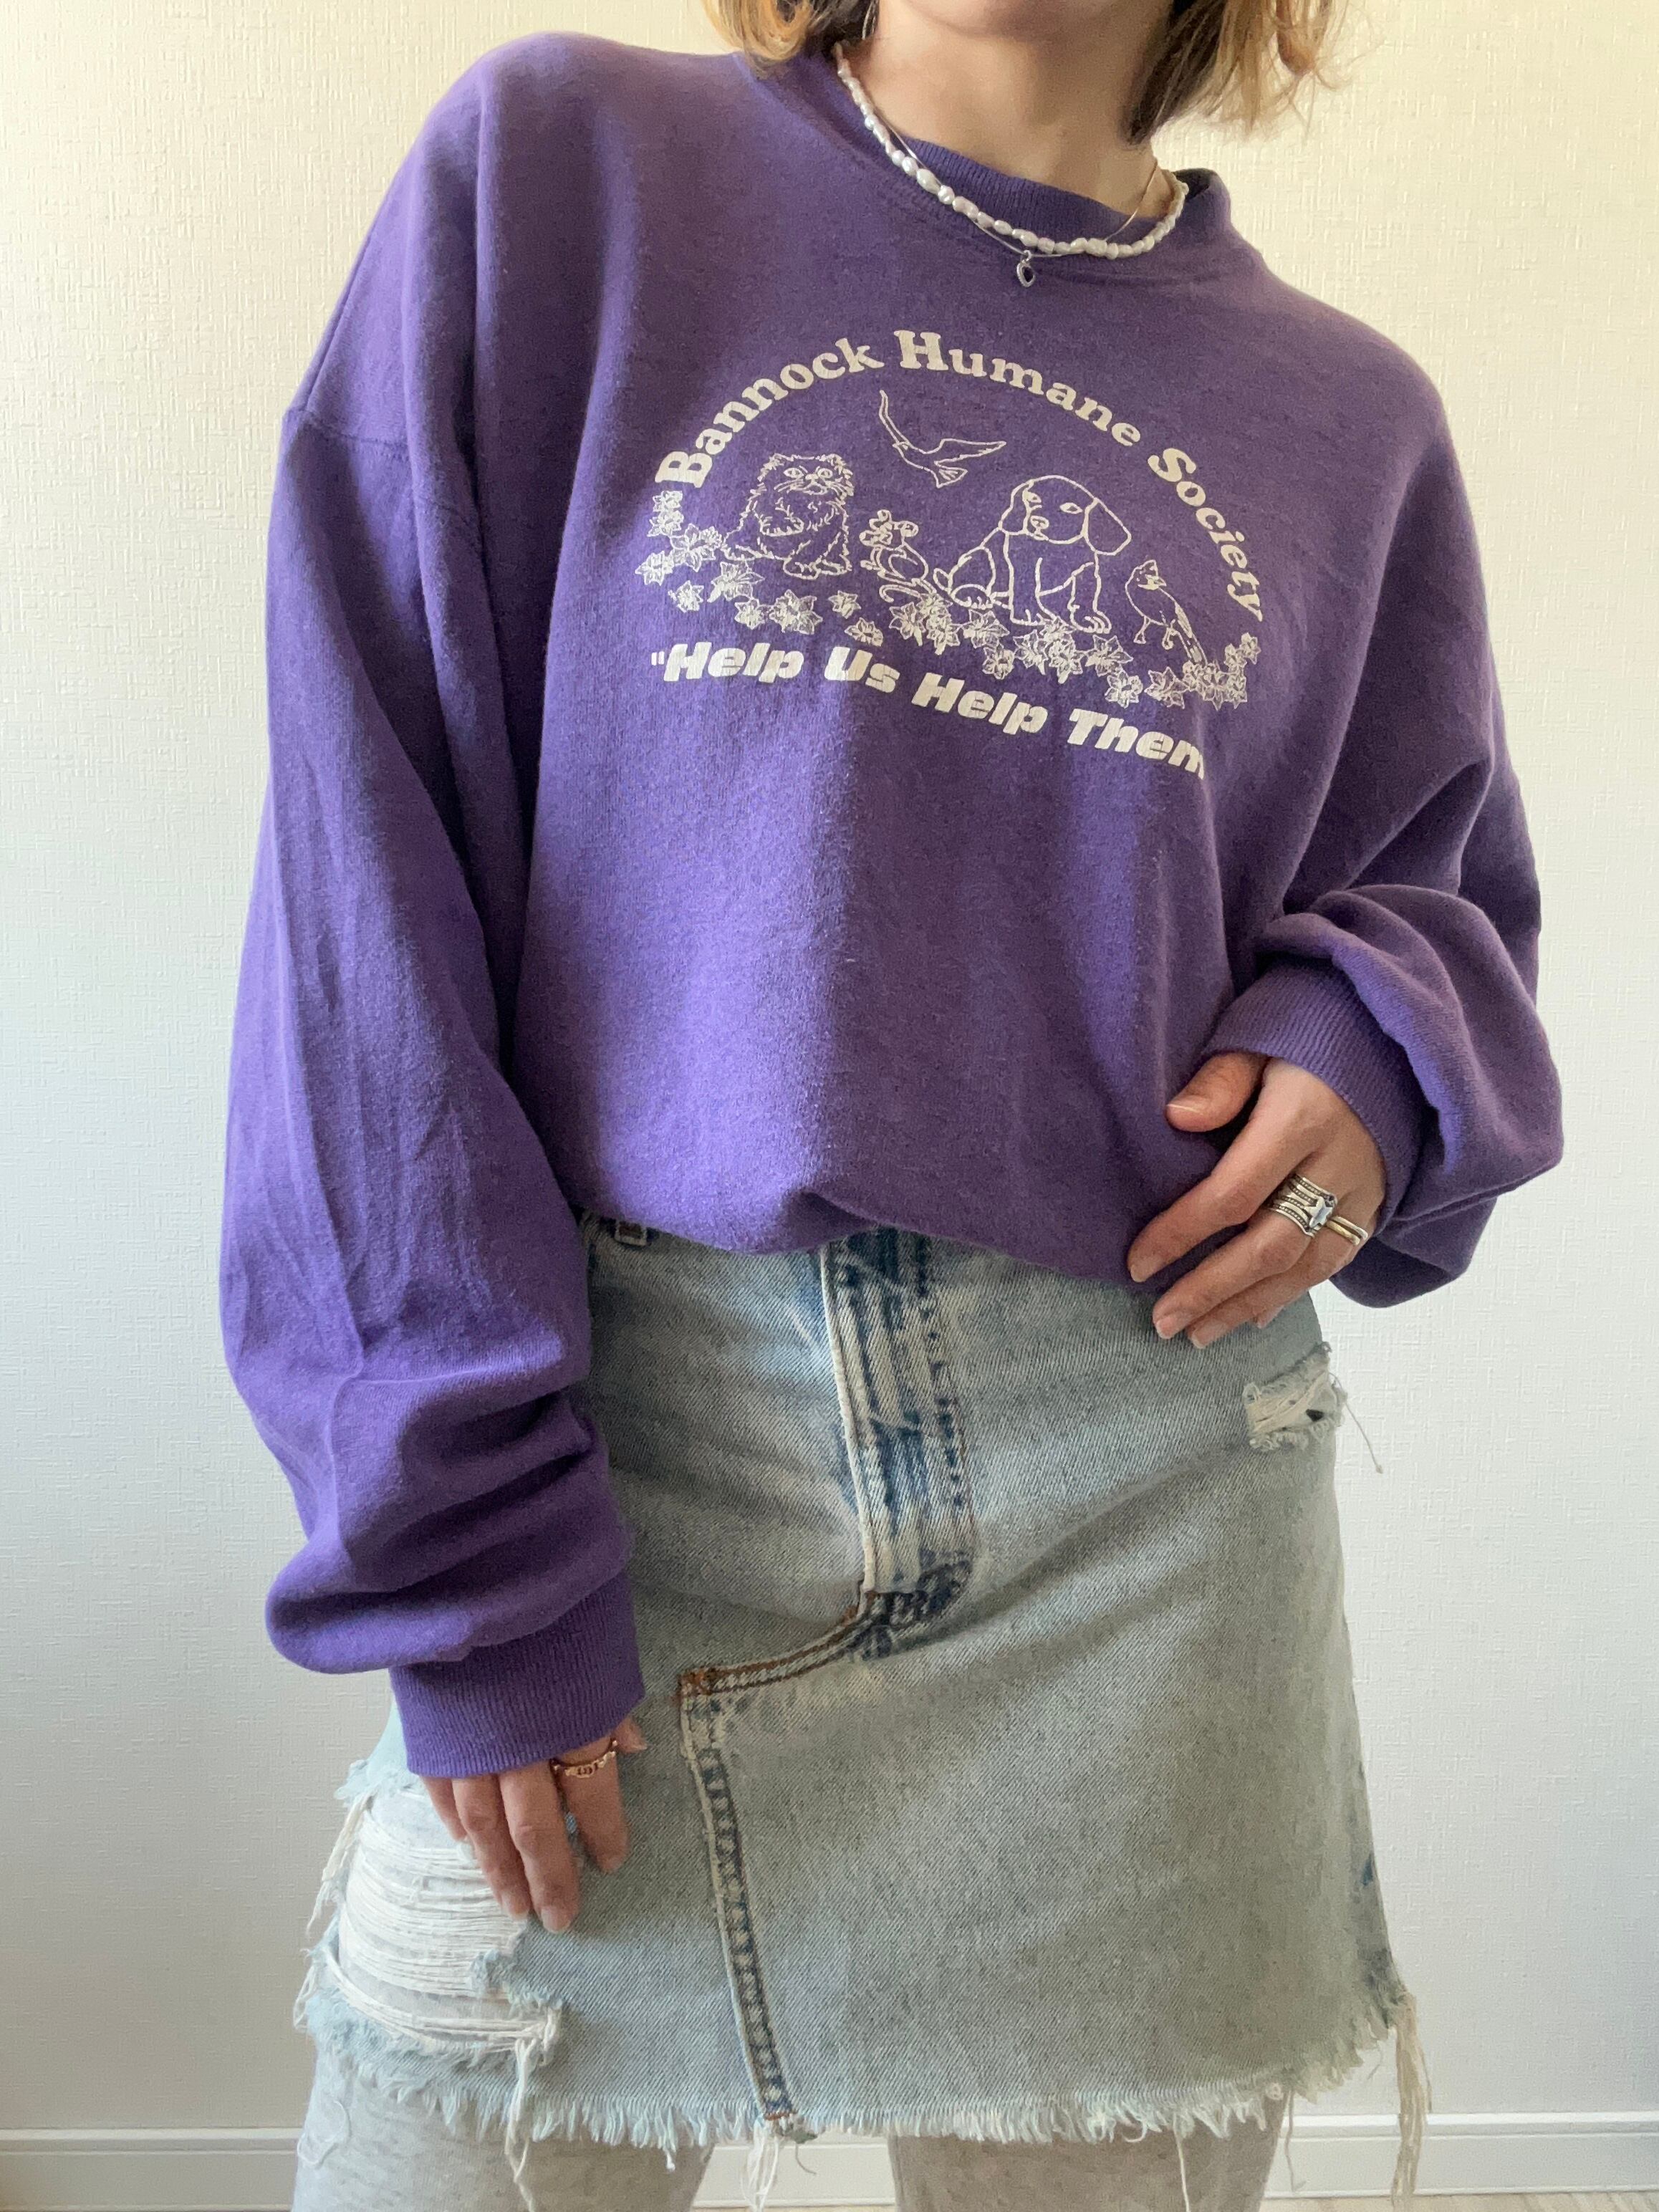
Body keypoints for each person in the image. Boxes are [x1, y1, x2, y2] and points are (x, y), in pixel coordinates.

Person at [218, 3, 1564, 2208]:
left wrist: (1365, 1064)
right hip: (614, 1459)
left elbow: (1436, 904)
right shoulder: (561, 174)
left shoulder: (1350, 416)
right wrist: (459, 1556)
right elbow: (367, 879)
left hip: (1140, 1501)